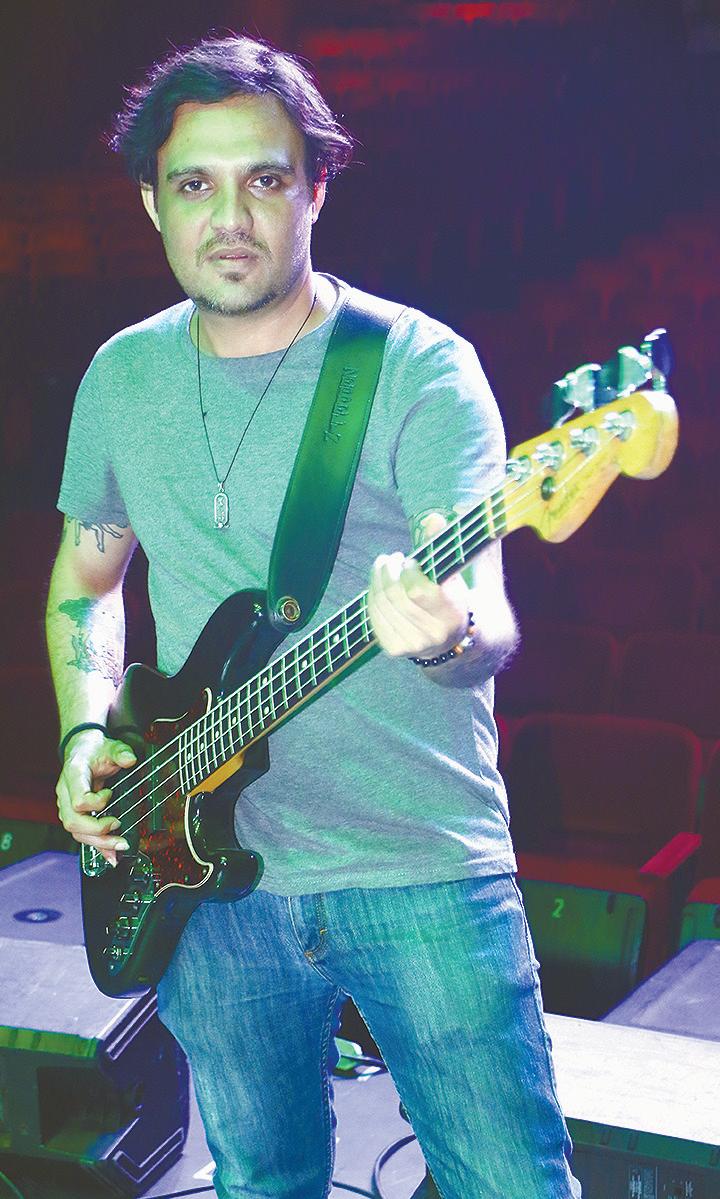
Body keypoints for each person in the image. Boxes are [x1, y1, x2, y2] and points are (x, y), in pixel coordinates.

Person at [47, 34, 581, 1199]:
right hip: (198, 875)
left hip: (418, 861)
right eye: (196, 182)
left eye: (267, 179)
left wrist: (447, 634)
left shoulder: (417, 367)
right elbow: (86, 579)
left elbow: (486, 615)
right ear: (151, 202)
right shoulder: (120, 377)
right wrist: (87, 731)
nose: (230, 216)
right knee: (261, 1177)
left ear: (317, 189)